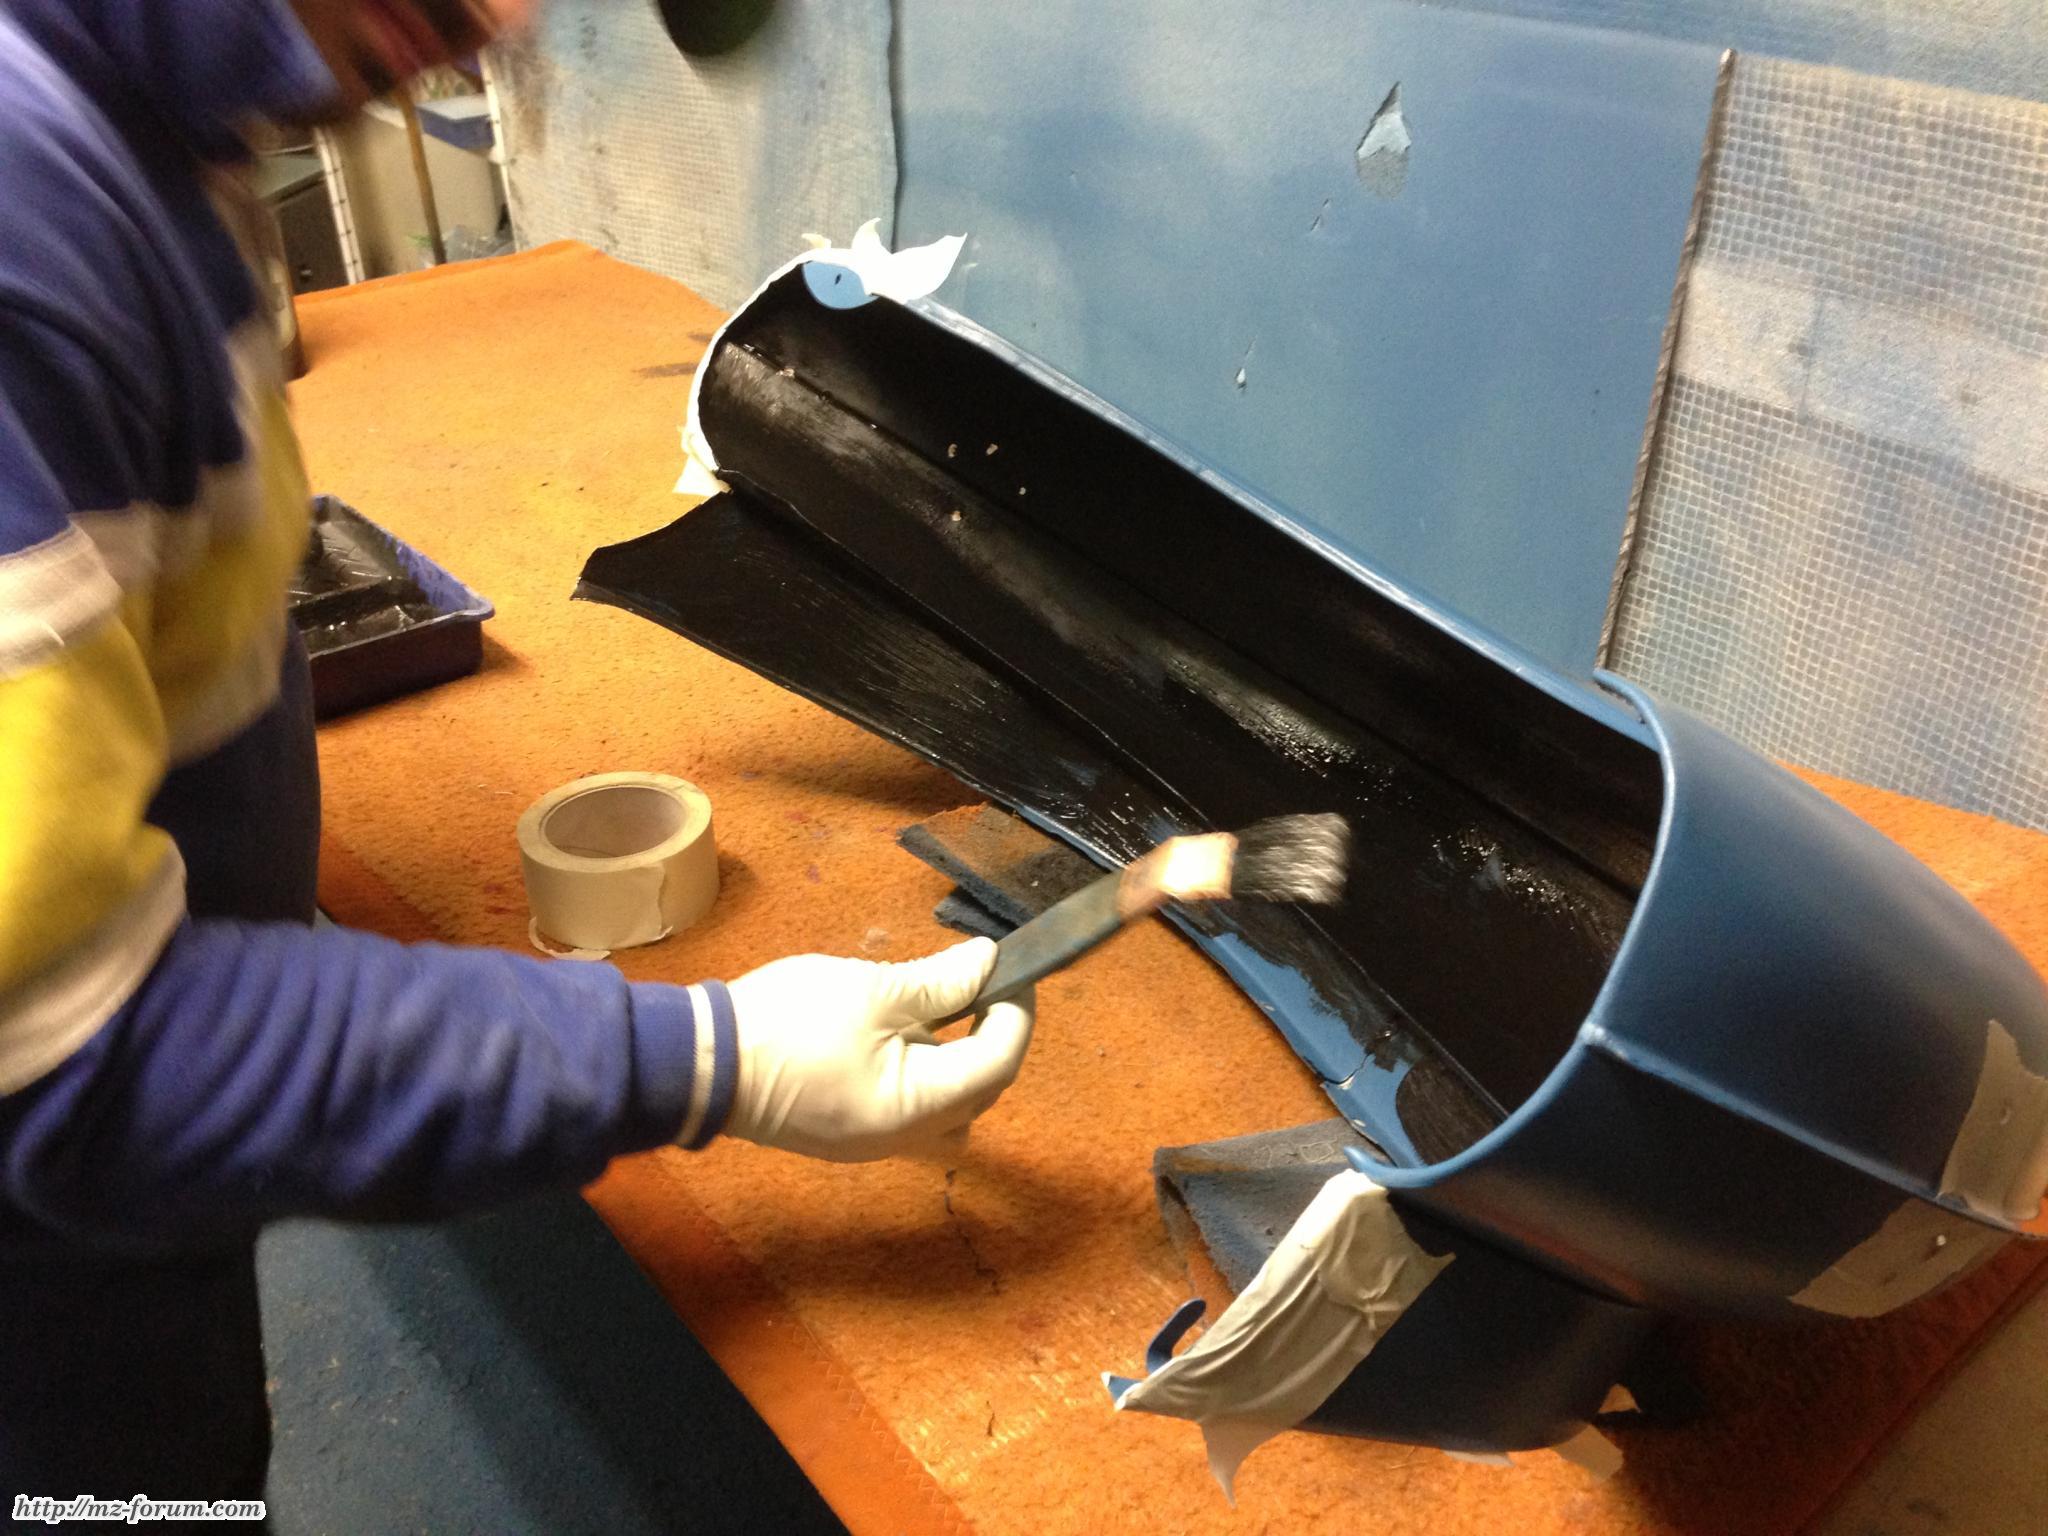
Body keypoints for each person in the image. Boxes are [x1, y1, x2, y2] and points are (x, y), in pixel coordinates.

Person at [0, 0, 1035, 1503]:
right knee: (119, 1495)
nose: (506, 25)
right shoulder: (25, 232)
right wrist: (706, 1058)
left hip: (127, 1240)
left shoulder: (155, 127)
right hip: (46, 1273)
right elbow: (70, 1062)